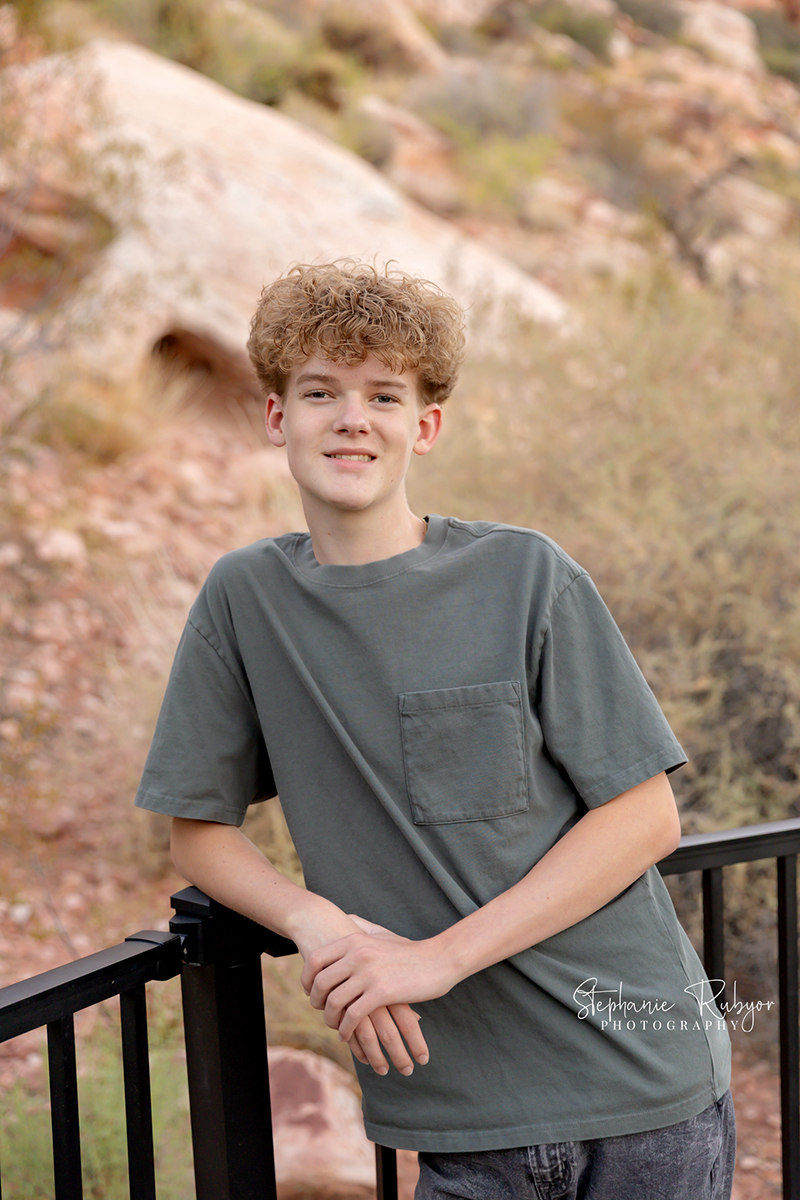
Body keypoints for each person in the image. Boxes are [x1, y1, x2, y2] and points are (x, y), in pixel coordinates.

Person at [135, 260, 735, 1199]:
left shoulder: (528, 577)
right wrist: (321, 929)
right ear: (276, 417)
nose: (351, 418)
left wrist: (431, 960)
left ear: (425, 426)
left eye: (384, 395)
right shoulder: (244, 601)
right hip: (459, 1116)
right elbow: (197, 832)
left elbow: (647, 817)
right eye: (320, 392)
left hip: (641, 1094)